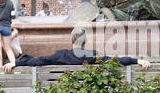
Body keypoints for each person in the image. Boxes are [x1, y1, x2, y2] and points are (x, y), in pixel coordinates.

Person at [14, 28, 151, 69]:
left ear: (71, 40)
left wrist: (15, 63)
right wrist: (137, 60)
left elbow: (38, 61)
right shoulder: (91, 55)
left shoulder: (60, 55)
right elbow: (114, 60)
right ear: (85, 42)